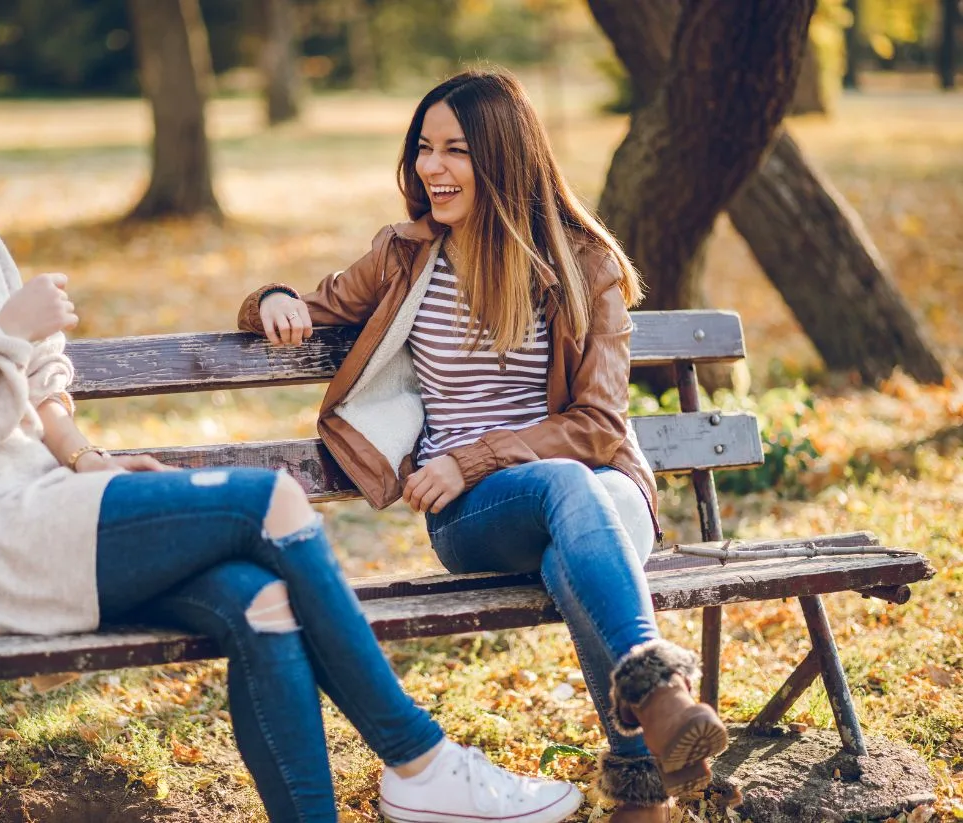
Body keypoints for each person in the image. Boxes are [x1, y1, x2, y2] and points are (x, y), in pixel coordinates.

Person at [0, 56, 586, 823]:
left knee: (263, 601)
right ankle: (419, 757)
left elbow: (41, 392)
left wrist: (88, 459)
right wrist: (3, 334)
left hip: (50, 506)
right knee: (271, 498)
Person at [238, 68, 730, 823]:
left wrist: (475, 450)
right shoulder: (405, 256)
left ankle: (641, 785)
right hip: (477, 512)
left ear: (503, 157)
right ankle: (655, 709)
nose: (432, 168)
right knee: (568, 485)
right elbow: (304, 304)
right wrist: (270, 297)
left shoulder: (581, 264)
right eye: (423, 149)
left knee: (578, 511)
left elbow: (599, 424)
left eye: (455, 150)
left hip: (599, 491)